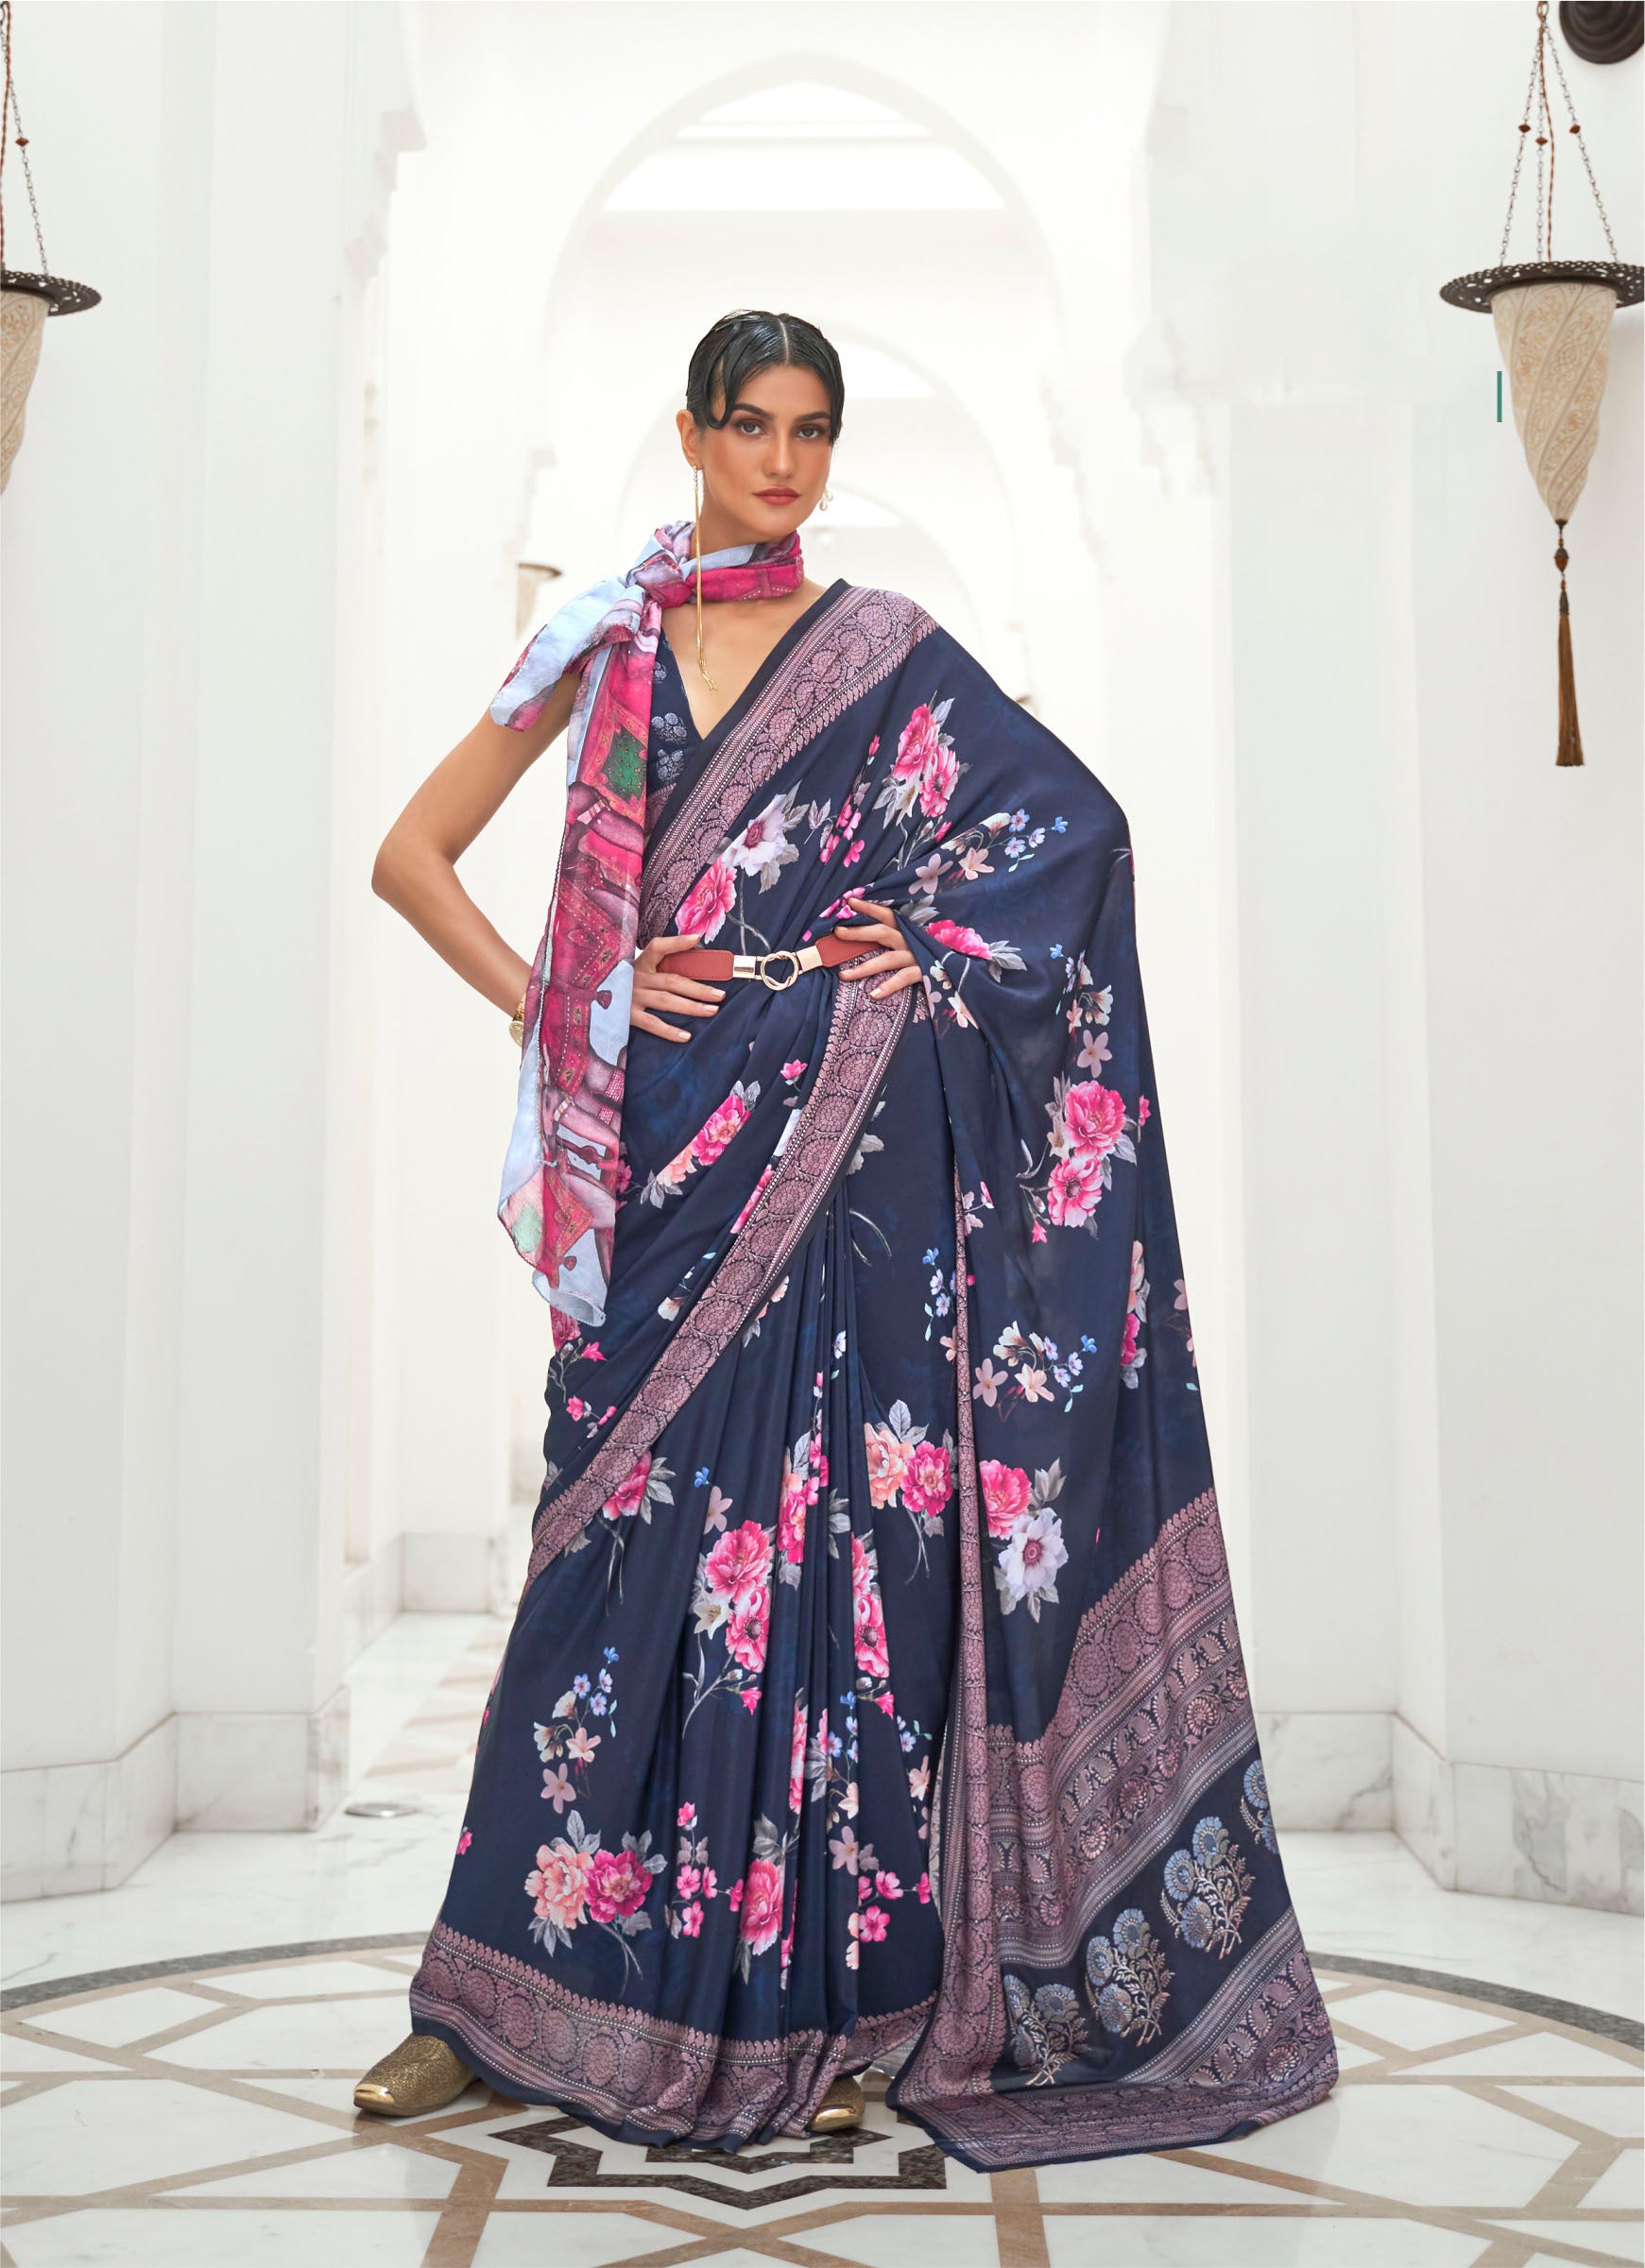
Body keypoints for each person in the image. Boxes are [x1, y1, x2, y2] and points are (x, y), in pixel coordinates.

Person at [356, 308, 1337, 2171]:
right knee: (598, 1567)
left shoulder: (884, 647)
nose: (783, 462)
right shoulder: (603, 640)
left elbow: (1076, 834)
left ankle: (847, 2003)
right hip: (665, 1159)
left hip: (859, 1163)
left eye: (811, 430)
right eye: (751, 426)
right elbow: (411, 855)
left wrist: (935, 945)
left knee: (854, 1583)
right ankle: (480, 2003)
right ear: (690, 435)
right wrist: (564, 996)